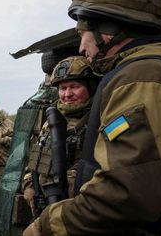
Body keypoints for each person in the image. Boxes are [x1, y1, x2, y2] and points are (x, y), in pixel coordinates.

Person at [23, 0, 161, 235]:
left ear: (107, 28)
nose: (83, 48)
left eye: (83, 35)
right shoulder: (155, 68)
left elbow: (127, 193)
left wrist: (48, 226)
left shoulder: (143, 76)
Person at [22, 56, 99, 217]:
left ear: (91, 87)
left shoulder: (100, 118)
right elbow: (35, 160)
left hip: (82, 209)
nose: (67, 94)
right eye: (63, 88)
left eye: (74, 86)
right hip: (47, 203)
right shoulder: (52, 120)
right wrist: (29, 186)